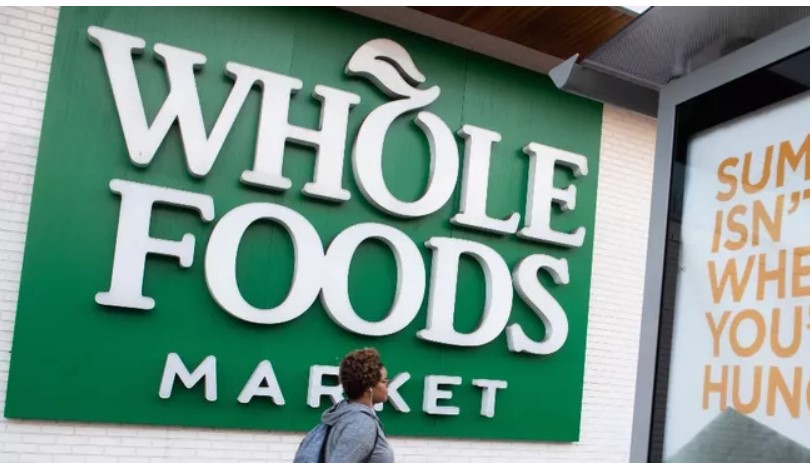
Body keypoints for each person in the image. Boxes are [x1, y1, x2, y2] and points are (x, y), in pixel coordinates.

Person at [321, 347, 394, 463]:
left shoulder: (344, 414)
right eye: (384, 381)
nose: (387, 385)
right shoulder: (361, 423)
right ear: (368, 389)